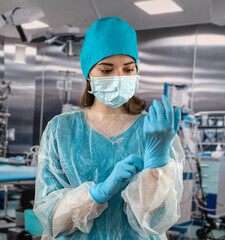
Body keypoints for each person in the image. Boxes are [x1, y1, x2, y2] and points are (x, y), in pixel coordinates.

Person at [34, 16, 185, 240]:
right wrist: (96, 194)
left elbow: (155, 223)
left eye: (128, 69)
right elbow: (50, 217)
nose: (119, 78)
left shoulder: (152, 130)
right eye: (106, 70)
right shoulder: (61, 130)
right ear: (89, 74)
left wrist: (157, 168)